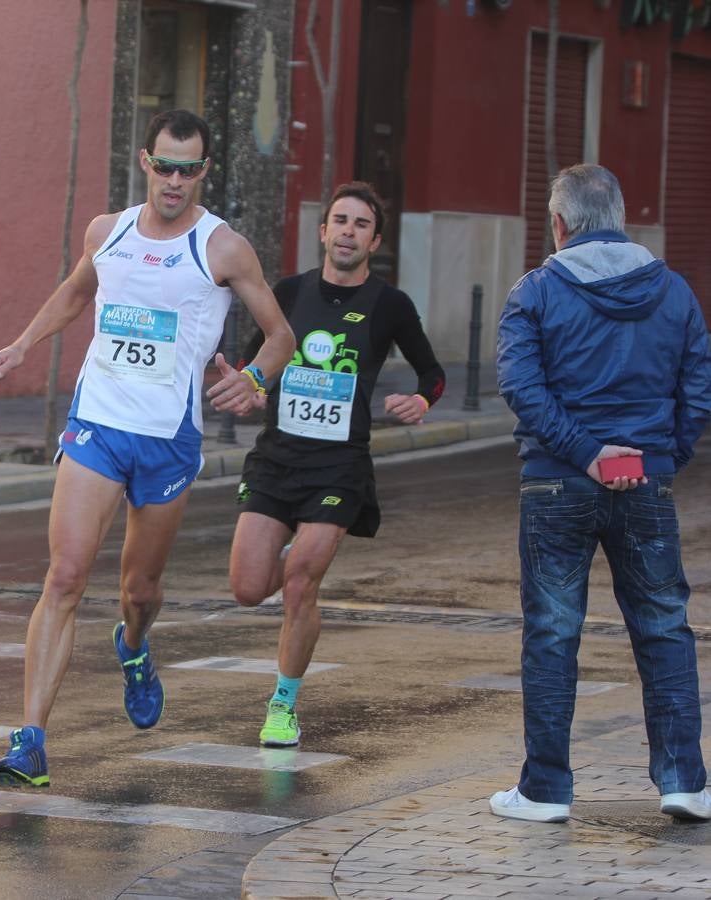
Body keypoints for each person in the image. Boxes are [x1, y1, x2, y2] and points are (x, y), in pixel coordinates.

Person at [0, 109, 296, 788]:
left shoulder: (224, 248)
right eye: (165, 165)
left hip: (167, 441)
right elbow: (75, 293)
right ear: (145, 163)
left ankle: (133, 643)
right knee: (64, 577)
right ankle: (30, 741)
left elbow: (281, 336)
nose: (175, 180)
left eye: (189, 169)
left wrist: (253, 378)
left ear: (204, 172)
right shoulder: (109, 230)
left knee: (139, 587)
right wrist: (22, 345)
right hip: (98, 422)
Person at [491, 163, 711, 823]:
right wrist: (662, 458)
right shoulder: (673, 292)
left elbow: (521, 388)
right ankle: (684, 781)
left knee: (553, 633)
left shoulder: (535, 292)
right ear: (619, 217)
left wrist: (587, 454)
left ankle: (546, 790)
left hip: (559, 479)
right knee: (665, 626)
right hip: (642, 476)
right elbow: (697, 385)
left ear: (559, 224)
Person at [229, 182, 445, 750]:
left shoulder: (390, 305)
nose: (349, 231)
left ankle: (283, 704)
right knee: (249, 588)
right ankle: (284, 551)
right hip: (277, 459)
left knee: (300, 583)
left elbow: (432, 372)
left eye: (361, 224)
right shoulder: (291, 292)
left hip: (339, 466)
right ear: (323, 232)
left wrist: (422, 400)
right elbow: (258, 363)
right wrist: (249, 388)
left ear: (375, 240)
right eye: (340, 221)